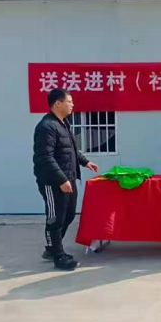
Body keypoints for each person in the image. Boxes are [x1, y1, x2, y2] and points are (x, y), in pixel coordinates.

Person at [33, 88, 99, 271]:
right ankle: (58, 256)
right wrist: (61, 179)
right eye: (69, 102)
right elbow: (45, 157)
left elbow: (70, 149)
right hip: (53, 181)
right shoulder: (46, 127)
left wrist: (85, 162)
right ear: (58, 104)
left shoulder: (64, 124)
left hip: (69, 177)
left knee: (69, 214)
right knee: (55, 218)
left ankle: (53, 248)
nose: (72, 105)